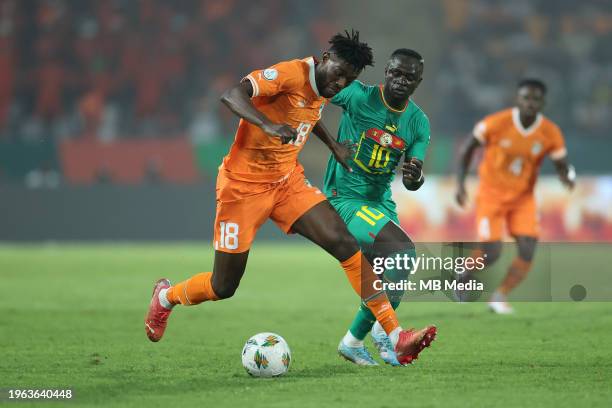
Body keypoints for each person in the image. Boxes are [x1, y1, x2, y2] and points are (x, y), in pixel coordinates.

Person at [144, 31, 436, 365]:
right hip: (242, 187)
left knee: (345, 244)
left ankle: (395, 337)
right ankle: (166, 297)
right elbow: (231, 95)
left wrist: (334, 145)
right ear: (325, 58)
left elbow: (308, 116)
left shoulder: (328, 87)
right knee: (223, 285)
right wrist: (267, 125)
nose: (340, 83)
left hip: (287, 183)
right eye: (338, 73)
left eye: (348, 80)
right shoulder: (288, 74)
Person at [319, 48, 433, 366]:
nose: (400, 80)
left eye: (409, 77)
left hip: (381, 202)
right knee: (404, 251)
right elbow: (317, 87)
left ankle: (358, 341)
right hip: (346, 198)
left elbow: (413, 178)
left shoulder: (418, 122)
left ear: (417, 83)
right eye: (396, 73)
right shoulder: (358, 96)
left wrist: (415, 177)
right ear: (386, 71)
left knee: (390, 273)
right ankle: (386, 336)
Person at [455, 79, 576, 314]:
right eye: (526, 98)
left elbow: (563, 163)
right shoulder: (496, 123)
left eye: (536, 99)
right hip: (491, 195)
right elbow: (468, 148)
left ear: (543, 103)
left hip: (523, 198)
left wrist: (568, 176)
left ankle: (499, 296)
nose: (530, 103)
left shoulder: (550, 132)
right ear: (517, 100)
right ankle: (465, 270)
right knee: (492, 252)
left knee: (528, 249)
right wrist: (460, 184)